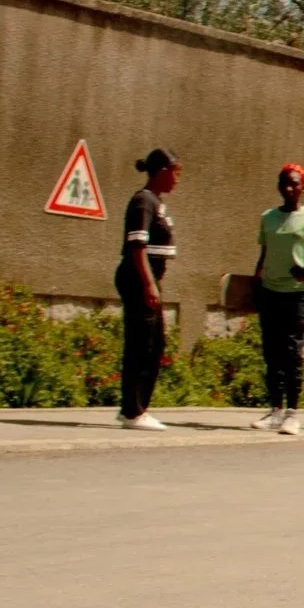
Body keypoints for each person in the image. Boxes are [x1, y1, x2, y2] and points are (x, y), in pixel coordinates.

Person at [252, 164, 304, 437]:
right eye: (284, 183)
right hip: (271, 291)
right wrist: (256, 283)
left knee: (292, 353)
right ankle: (275, 410)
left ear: (303, 187)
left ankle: (292, 414)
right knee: (271, 353)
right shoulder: (268, 218)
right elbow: (263, 255)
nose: (289, 188)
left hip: (299, 293)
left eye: (294, 184)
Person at [115, 149, 179, 430]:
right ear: (163, 171)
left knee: (154, 344)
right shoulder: (144, 201)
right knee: (143, 344)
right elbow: (136, 246)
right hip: (139, 278)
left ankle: (135, 407)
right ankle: (133, 412)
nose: (177, 179)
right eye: (176, 172)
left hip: (147, 279)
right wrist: (149, 284)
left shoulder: (156, 201)